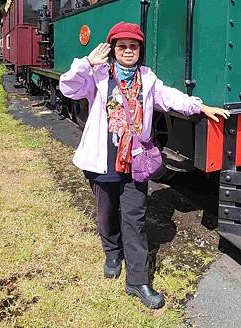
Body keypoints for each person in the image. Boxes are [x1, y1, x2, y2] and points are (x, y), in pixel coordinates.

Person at [59, 21, 229, 309]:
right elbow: (68, 87)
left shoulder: (147, 79)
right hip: (102, 161)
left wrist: (200, 107)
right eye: (122, 46)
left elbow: (170, 97)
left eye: (133, 46)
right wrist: (86, 62)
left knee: (135, 220)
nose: (128, 51)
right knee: (106, 213)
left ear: (140, 50)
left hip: (135, 161)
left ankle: (137, 282)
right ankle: (112, 252)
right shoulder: (98, 75)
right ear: (113, 49)